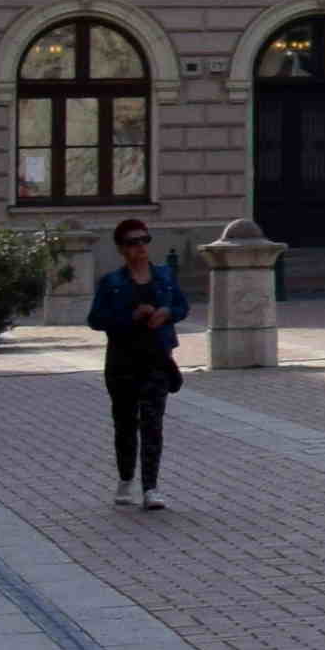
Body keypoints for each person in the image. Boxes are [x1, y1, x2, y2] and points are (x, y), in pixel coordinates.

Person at [89, 217, 188, 511]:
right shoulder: (112, 282)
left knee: (153, 424)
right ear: (122, 248)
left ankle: (151, 488)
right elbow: (95, 320)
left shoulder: (165, 276)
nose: (141, 247)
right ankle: (125, 479)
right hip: (122, 361)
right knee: (125, 424)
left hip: (157, 359)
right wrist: (129, 318)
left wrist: (167, 312)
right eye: (133, 242)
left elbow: (182, 306)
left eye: (145, 240)